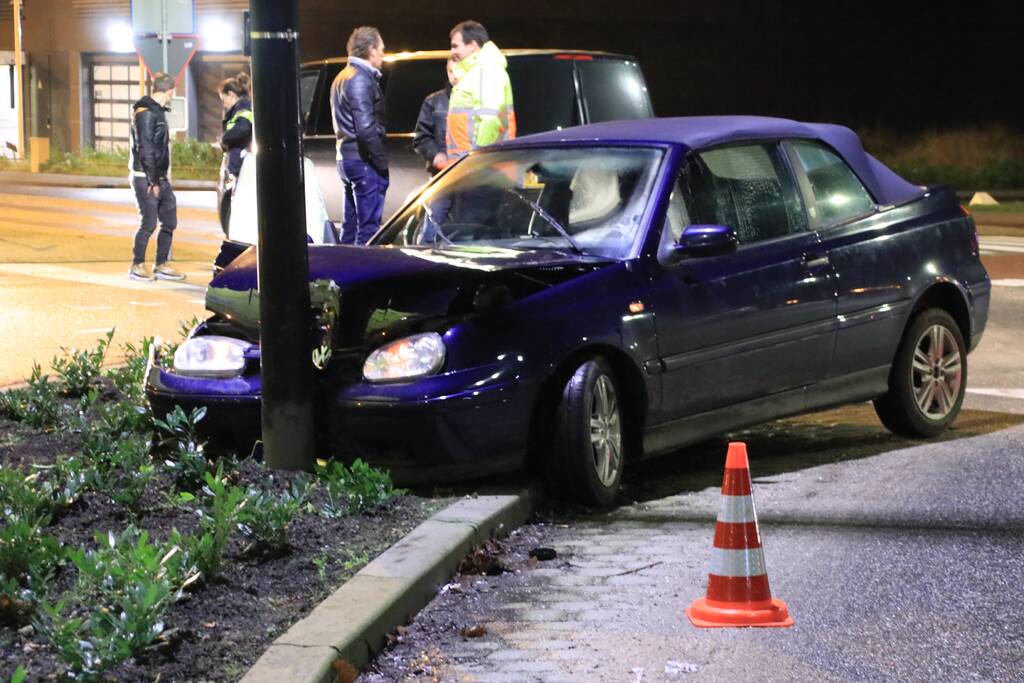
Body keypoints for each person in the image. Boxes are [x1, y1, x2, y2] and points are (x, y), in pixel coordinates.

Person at [331, 26, 389, 245]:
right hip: (362, 161)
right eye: (382, 49)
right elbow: (366, 129)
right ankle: (362, 276)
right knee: (369, 228)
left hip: (347, 158)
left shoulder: (342, 77)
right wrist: (381, 163)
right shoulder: (360, 79)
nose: (383, 54)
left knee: (351, 225)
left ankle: (342, 274)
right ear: (372, 50)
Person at [128, 71, 185, 281]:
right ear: (170, 91)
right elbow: (146, 148)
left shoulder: (157, 111)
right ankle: (137, 264)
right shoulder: (145, 113)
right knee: (149, 223)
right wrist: (153, 181)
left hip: (159, 176)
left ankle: (161, 264)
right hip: (145, 176)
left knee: (169, 220)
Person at [446, 20, 515, 161]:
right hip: (468, 167)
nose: (452, 52)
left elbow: (489, 120)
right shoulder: (474, 72)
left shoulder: (487, 70)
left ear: (472, 45)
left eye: (455, 46)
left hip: (481, 169)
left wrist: (477, 159)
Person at [218, 72, 253, 235]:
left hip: (242, 166)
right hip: (239, 166)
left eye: (223, 98)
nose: (223, 104)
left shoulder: (243, 107)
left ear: (231, 95)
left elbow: (244, 128)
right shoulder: (240, 108)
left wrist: (224, 138)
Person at [413, 60, 455, 176]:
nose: (455, 75)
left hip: (471, 173)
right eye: (451, 71)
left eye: (459, 70)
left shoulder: (478, 101)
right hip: (442, 174)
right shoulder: (433, 101)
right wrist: (436, 155)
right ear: (447, 72)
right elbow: (421, 138)